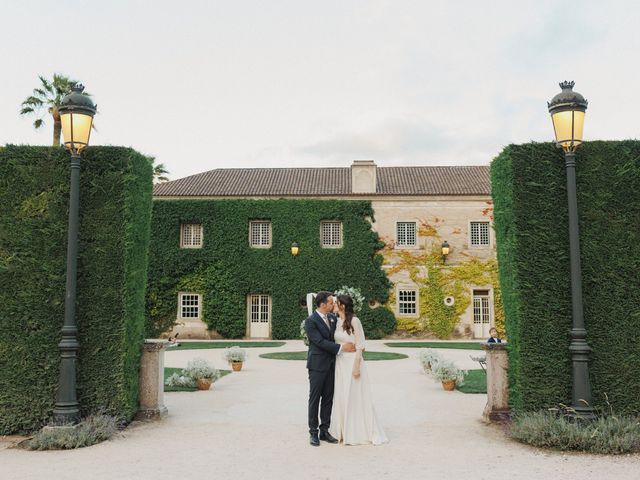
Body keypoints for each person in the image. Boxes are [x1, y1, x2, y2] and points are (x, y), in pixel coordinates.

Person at [329, 294, 388, 445]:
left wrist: (356, 366)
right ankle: (342, 430)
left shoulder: (355, 321)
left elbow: (360, 344)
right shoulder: (336, 321)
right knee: (342, 394)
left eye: (336, 303)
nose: (333, 305)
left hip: (352, 362)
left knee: (354, 395)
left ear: (342, 305)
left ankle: (357, 431)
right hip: (340, 363)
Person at [304, 291, 356, 447]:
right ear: (322, 304)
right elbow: (319, 342)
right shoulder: (310, 321)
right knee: (315, 399)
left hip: (333, 365)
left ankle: (324, 430)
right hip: (317, 366)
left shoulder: (333, 318)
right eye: (331, 302)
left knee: (328, 399)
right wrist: (342, 348)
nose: (333, 304)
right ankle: (313, 432)